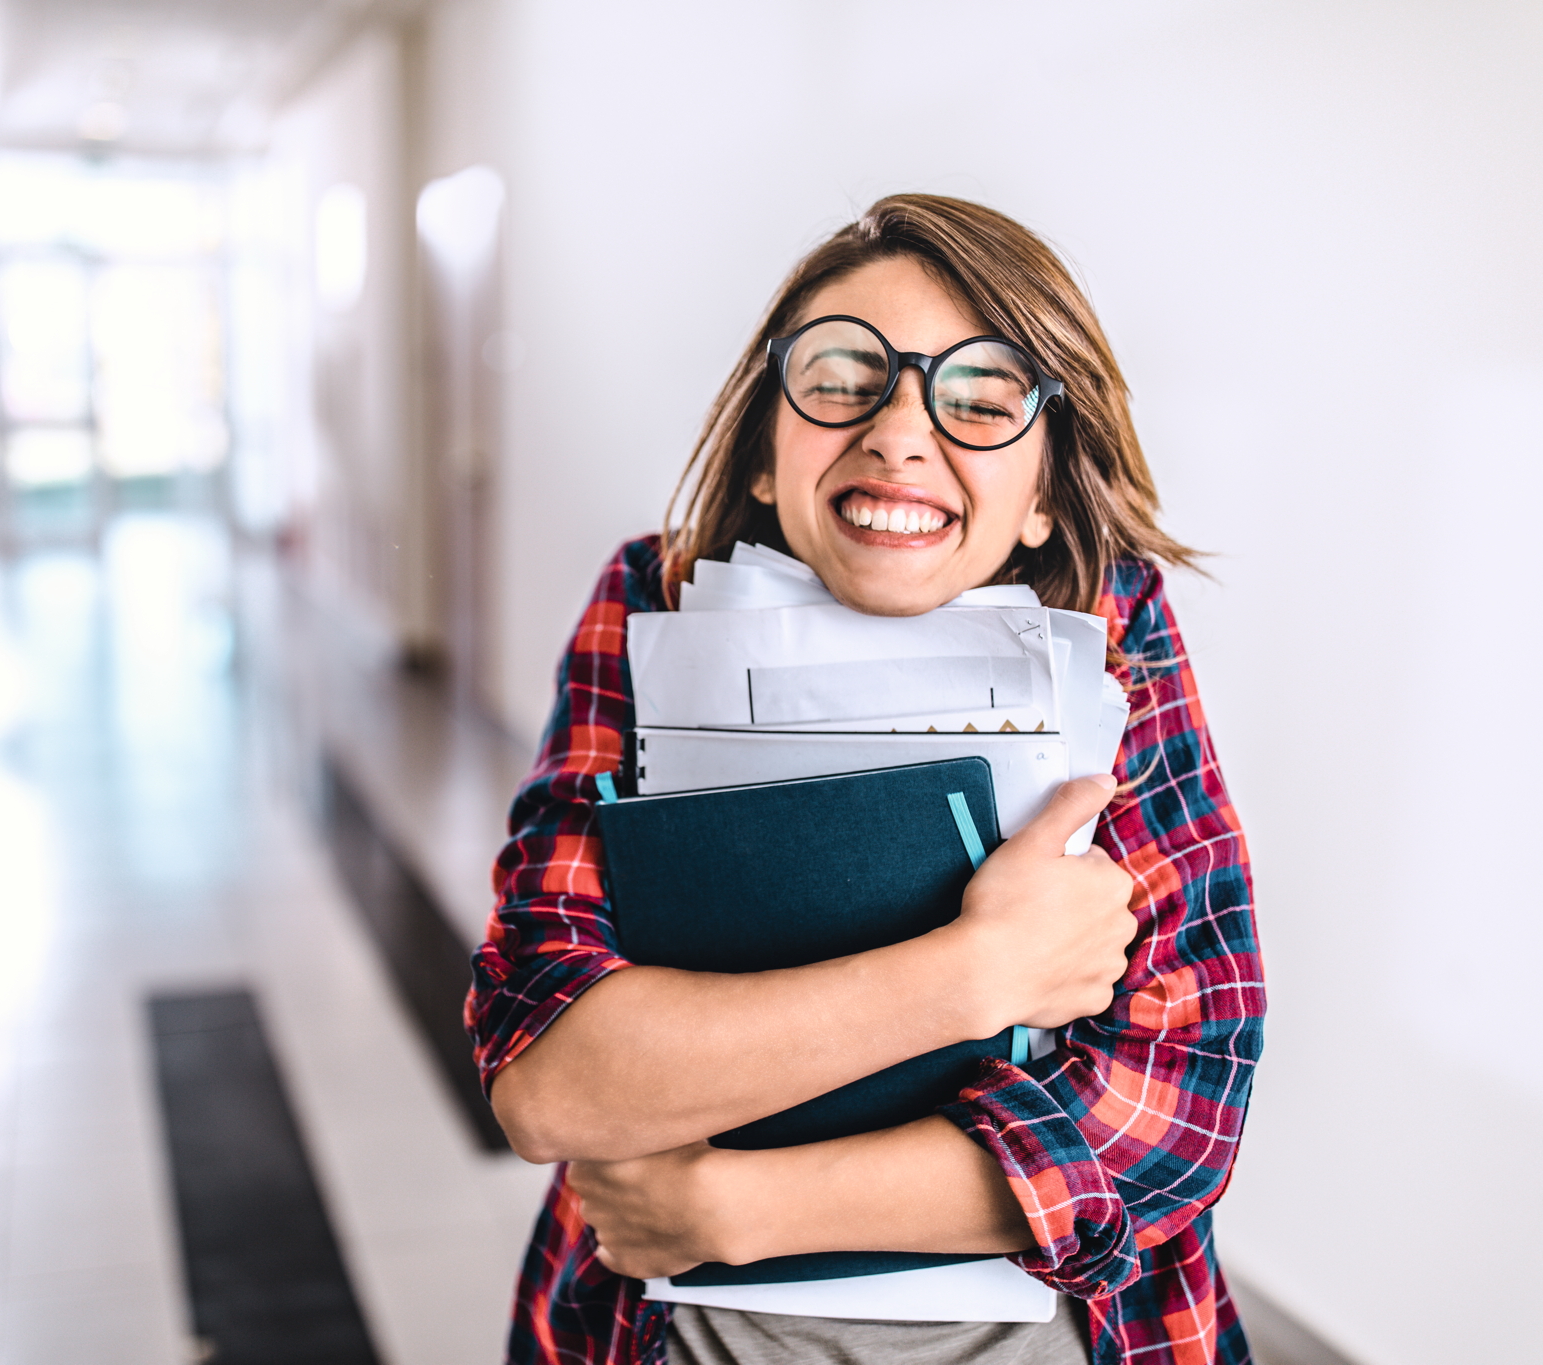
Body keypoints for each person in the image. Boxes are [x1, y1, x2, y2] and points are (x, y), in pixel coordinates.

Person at [466, 194, 1263, 1365]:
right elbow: (548, 1082)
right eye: (843, 379)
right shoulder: (653, 597)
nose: (898, 434)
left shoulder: (1116, 625)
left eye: (979, 400)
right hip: (671, 1332)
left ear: (1042, 491)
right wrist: (978, 971)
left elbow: (1173, 1117)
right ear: (760, 451)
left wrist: (734, 1209)